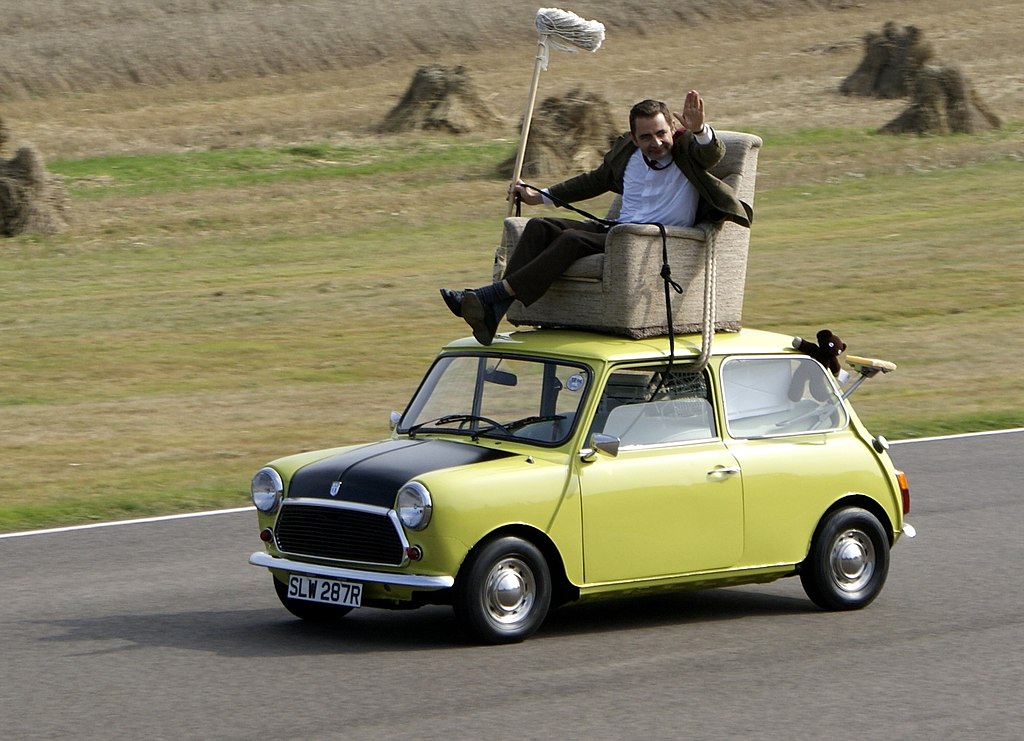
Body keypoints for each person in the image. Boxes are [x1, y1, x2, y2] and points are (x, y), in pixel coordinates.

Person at [440, 91, 752, 345]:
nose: (655, 143)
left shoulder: (687, 149)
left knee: (572, 239)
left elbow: (711, 154)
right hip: (616, 231)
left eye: (661, 133)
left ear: (673, 127)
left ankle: (489, 295)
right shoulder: (627, 155)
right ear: (633, 137)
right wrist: (541, 195)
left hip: (652, 240)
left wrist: (698, 130)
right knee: (539, 227)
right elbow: (592, 181)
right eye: (646, 137)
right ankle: (495, 311)